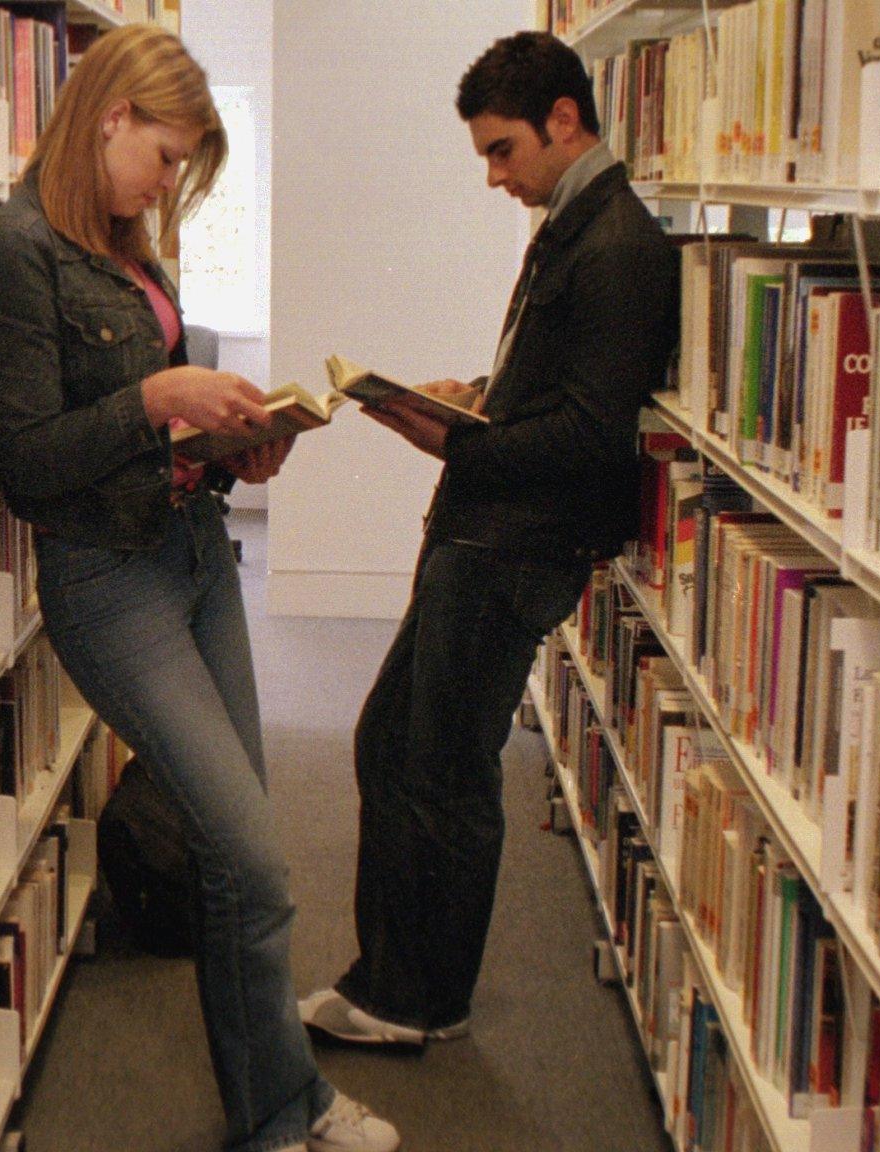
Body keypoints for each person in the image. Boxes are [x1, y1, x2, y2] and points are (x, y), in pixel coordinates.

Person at [0, 24, 399, 1152]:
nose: (166, 183)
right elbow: (30, 466)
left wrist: (234, 445)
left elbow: (148, 430)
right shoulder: (17, 250)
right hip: (109, 583)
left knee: (233, 854)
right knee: (253, 854)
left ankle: (277, 1108)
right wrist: (159, 398)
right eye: (163, 156)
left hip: (194, 551)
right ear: (110, 116)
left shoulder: (123, 243)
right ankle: (282, 1108)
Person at [299, 30, 680, 1047]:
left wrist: (454, 441)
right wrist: (469, 399)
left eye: (502, 150)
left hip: (513, 549)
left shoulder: (619, 246)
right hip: (482, 535)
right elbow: (554, 392)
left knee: (443, 770)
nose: (493, 176)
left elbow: (591, 436)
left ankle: (417, 1000)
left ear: (564, 120)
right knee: (394, 742)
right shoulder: (574, 222)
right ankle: (392, 979)